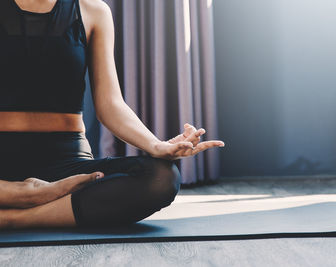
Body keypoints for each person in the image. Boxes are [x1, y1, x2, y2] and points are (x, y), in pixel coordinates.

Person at [0, 0, 225, 229]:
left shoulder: (94, 11)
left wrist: (156, 146)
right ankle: (23, 195)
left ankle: (12, 218)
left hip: (67, 163)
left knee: (162, 177)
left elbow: (110, 104)